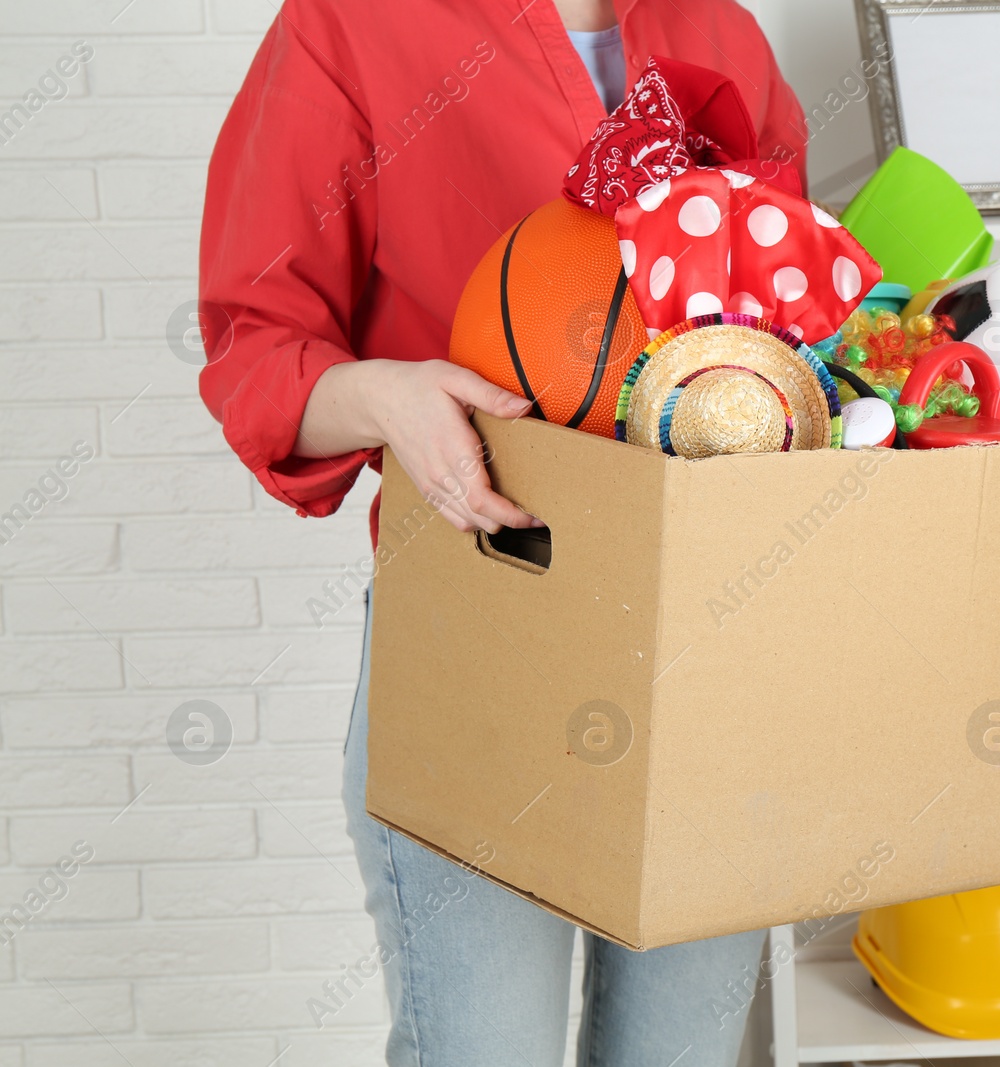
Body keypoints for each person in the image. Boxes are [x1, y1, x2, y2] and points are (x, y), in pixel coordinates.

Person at [198, 1, 807, 1063]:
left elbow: (799, 331)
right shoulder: (346, 27)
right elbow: (257, 348)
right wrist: (388, 398)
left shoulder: (725, 33)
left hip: (718, 655)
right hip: (481, 646)